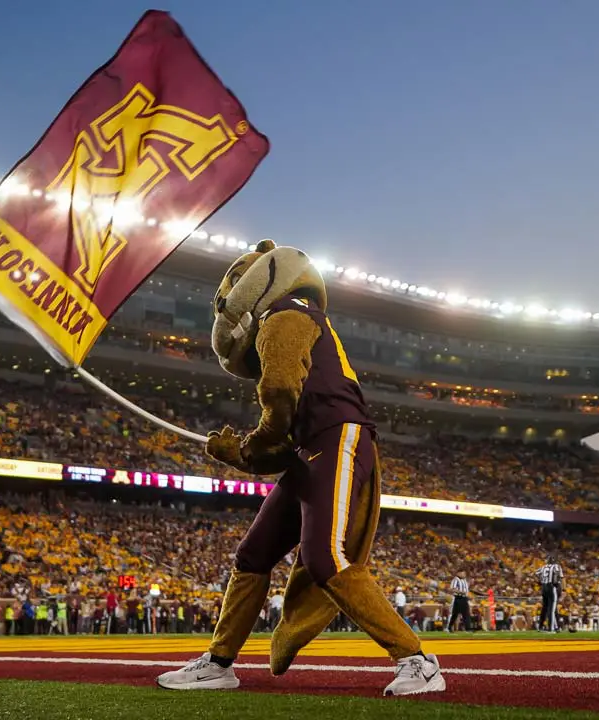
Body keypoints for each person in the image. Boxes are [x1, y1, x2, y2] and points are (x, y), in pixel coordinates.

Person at [156, 241, 444, 697]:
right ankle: (218, 662)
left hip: (336, 436)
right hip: (313, 447)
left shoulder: (286, 311)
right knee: (252, 555)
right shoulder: (290, 316)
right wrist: (240, 454)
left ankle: (417, 660)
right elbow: (278, 448)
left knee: (325, 558)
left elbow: (281, 391)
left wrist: (254, 442)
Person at [535, 556, 565, 632]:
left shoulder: (543, 567)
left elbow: (535, 573)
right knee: (552, 609)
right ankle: (551, 628)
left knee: (544, 608)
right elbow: (561, 577)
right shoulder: (556, 566)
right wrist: (563, 589)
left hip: (544, 588)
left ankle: (541, 627)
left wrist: (540, 581)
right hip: (551, 587)